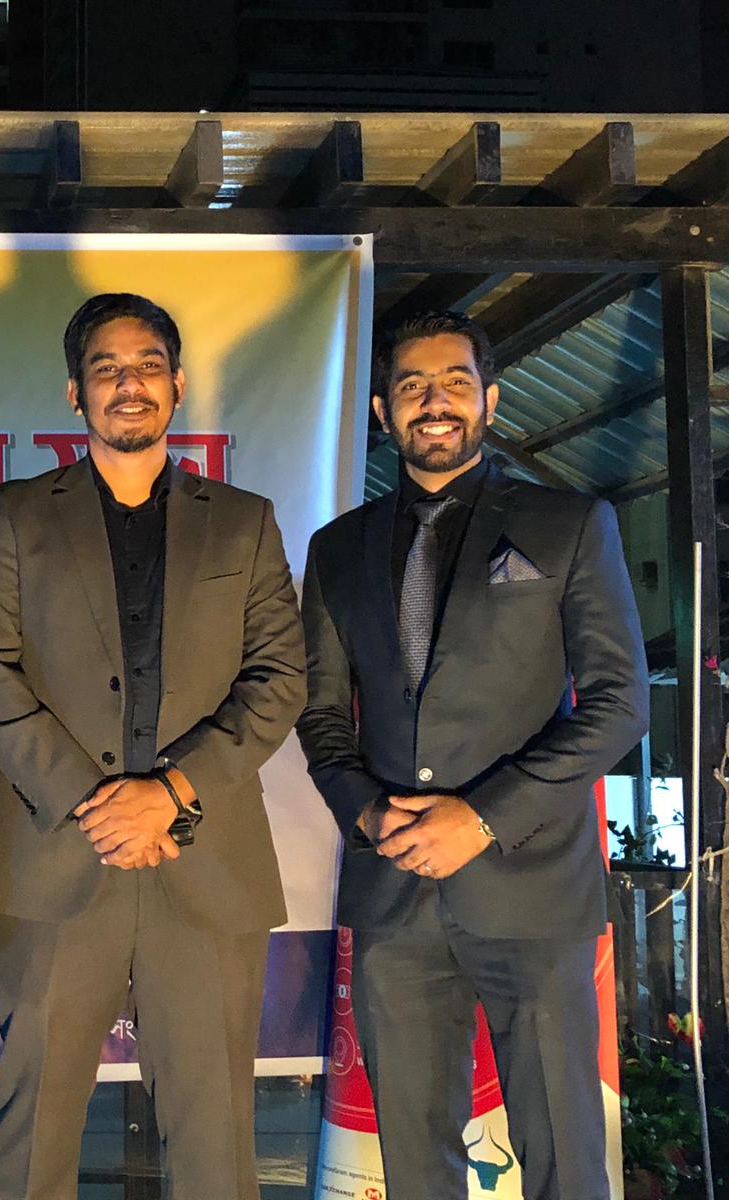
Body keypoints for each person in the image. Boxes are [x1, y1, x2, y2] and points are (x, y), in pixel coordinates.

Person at [0, 293, 307, 1199]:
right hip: (57, 862)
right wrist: (96, 804)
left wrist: (170, 793)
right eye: (106, 368)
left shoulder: (244, 521)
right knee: (31, 1134)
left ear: (178, 385)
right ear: (76, 393)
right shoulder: (16, 515)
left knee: (217, 1140)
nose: (129, 383)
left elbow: (279, 679)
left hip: (205, 862)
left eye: (148, 364)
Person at [296, 311, 649, 1200]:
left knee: (564, 1158)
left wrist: (482, 818)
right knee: (416, 1167)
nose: (435, 402)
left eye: (455, 382)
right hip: (393, 896)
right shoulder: (336, 549)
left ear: (490, 399)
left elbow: (619, 705)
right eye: (413, 385)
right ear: (383, 410)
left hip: (532, 891)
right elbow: (321, 717)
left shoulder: (571, 524)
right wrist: (368, 812)